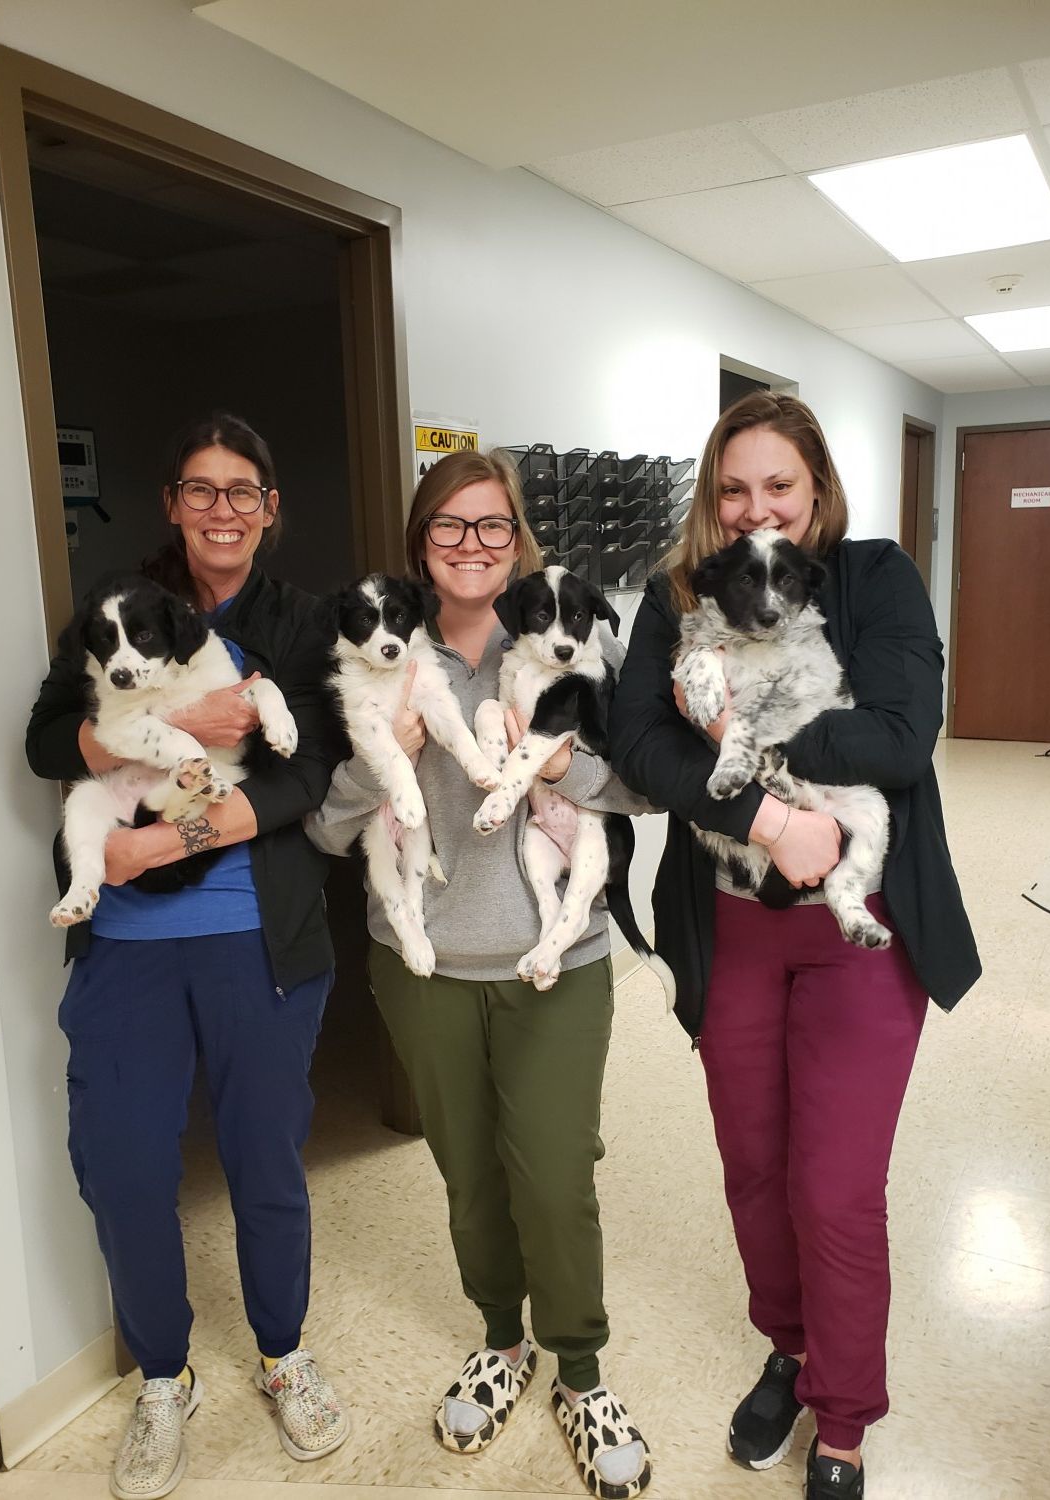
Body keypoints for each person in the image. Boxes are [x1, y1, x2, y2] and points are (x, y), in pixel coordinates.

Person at [609, 393, 980, 1500]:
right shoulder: (678, 597)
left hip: (857, 931)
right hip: (731, 927)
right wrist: (769, 816)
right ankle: (790, 1346)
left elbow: (900, 737)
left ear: (816, 487)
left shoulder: (873, 577)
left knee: (834, 1186)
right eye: (732, 489)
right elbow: (639, 744)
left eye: (778, 484)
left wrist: (736, 733)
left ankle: (845, 1416)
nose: (754, 507)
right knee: (755, 1169)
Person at [306, 448, 653, 1500]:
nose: (472, 544)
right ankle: (502, 1342)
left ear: (518, 538)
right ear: (422, 546)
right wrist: (383, 757)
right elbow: (325, 830)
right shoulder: (374, 656)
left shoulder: (562, 632)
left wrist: (559, 760)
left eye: (492, 524)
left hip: (557, 960)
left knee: (555, 1173)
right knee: (467, 1173)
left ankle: (581, 1372)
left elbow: (641, 790)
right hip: (424, 967)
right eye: (449, 526)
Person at [26, 413, 349, 1500]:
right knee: (120, 1167)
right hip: (126, 945)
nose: (222, 509)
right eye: (200, 490)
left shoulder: (297, 622)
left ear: (270, 508)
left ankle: (282, 1354)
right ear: (172, 504)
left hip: (257, 933)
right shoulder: (117, 606)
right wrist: (140, 734)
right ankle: (163, 1377)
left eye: (242, 490)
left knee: (266, 1163)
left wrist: (159, 844)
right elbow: (42, 738)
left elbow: (304, 779)